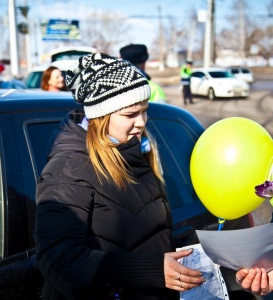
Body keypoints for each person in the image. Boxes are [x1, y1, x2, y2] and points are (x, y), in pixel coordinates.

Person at [34, 53, 205, 300]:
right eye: (130, 115)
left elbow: (148, 234)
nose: (141, 123)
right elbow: (59, 260)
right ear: (100, 116)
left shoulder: (136, 152)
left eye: (144, 111)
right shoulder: (69, 170)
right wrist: (151, 269)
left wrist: (200, 250)